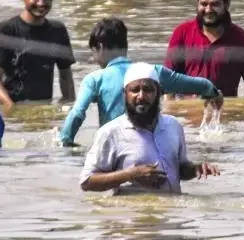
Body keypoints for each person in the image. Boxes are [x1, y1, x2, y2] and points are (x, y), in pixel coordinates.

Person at [59, 17, 222, 146]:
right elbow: (201, 85)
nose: (93, 58)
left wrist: (66, 143)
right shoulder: (154, 73)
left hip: (113, 145)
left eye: (93, 52)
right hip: (150, 144)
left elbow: (77, 114)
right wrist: (213, 93)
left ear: (100, 47)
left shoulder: (94, 79)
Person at [80, 63, 220, 193]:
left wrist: (197, 169)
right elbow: (87, 182)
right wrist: (130, 174)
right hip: (132, 215)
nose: (141, 96)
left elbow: (180, 169)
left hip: (172, 215)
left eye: (148, 90)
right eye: (134, 90)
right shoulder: (110, 133)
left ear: (158, 92)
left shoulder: (173, 126)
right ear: (125, 94)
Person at [0, 0, 76, 106]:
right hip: (12, 105)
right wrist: (10, 107)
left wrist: (69, 106)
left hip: (43, 107)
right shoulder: (7, 29)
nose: (41, 3)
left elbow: (66, 75)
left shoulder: (57, 30)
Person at [163, 0, 244, 97]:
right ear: (197, 3)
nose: (208, 10)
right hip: (187, 114)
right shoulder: (181, 33)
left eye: (215, 4)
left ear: (227, 4)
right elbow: (168, 84)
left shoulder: (243, 42)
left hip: (224, 112)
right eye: (204, 4)